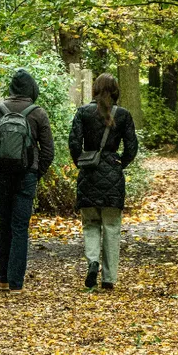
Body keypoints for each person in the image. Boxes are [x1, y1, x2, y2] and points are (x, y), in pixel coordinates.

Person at [0, 69, 55, 293]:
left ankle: (2, 279)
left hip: (0, 176)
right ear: (31, 89)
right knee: (20, 227)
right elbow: (49, 151)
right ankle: (16, 283)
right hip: (26, 176)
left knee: (4, 224)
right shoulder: (37, 113)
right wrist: (35, 173)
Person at [68, 73, 138, 290]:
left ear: (95, 90)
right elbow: (132, 147)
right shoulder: (124, 115)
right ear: (116, 91)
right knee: (112, 227)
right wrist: (119, 163)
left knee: (90, 224)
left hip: (88, 175)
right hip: (113, 177)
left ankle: (92, 262)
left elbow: (73, 142)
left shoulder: (83, 113)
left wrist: (81, 162)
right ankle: (108, 278)